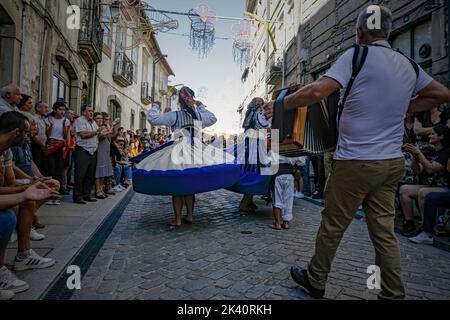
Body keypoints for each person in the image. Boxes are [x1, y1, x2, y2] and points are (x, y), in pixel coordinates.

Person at [263, 5, 450, 300]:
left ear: (359, 32)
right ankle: (391, 293)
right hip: (390, 164)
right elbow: (441, 93)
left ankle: (316, 279)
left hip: (355, 162)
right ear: (388, 32)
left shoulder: (356, 55)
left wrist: (279, 104)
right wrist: (405, 105)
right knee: (384, 233)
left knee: (333, 225)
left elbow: (316, 92)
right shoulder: (409, 64)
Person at [0, 112, 60, 300]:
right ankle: (1, 269)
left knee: (28, 199)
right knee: (7, 217)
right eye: (26, 132)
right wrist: (25, 191)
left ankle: (24, 255)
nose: (28, 136)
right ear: (16, 132)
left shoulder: (6, 151)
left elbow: (9, 185)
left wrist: (30, 187)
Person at [147, 86, 217, 227]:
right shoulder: (199, 115)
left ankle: (178, 219)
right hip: (196, 152)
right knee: (190, 185)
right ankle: (190, 216)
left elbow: (153, 119)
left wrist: (155, 106)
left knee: (177, 186)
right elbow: (213, 118)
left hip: (179, 152)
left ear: (180, 101)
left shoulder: (176, 115)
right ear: (192, 99)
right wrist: (200, 106)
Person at [399, 125, 450, 236]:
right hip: (431, 186)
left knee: (424, 192)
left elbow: (431, 169)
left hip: (444, 187)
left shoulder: (446, 152)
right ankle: (409, 223)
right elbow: (417, 171)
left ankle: (425, 228)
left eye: (433, 134)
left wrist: (419, 153)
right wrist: (415, 157)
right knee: (404, 189)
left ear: (441, 136)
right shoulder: (429, 151)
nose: (429, 136)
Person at [238, 97, 270, 214]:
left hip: (248, 145)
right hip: (256, 146)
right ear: (260, 105)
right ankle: (244, 205)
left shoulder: (248, 114)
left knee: (249, 172)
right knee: (255, 174)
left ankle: (249, 202)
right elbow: (264, 125)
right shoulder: (259, 114)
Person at [73, 105, 100, 204]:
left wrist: (104, 131)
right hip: (82, 150)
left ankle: (87, 194)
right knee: (80, 174)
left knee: (90, 174)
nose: (91, 113)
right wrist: (96, 132)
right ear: (83, 112)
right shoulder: (80, 121)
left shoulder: (93, 122)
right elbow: (83, 135)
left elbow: (97, 134)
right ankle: (78, 196)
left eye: (92, 111)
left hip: (93, 150)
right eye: (89, 111)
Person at [45, 100, 70, 199]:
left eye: (64, 110)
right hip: (51, 145)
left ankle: (57, 192)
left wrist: (64, 125)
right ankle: (49, 191)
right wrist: (51, 125)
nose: (62, 112)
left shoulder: (66, 121)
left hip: (61, 146)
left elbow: (65, 135)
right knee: (51, 168)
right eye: (60, 109)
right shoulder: (49, 119)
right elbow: (47, 134)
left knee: (59, 169)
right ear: (55, 110)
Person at [94, 112, 113, 199]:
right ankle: (97, 190)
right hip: (100, 150)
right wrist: (106, 131)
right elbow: (100, 137)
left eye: (101, 118)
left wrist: (108, 128)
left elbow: (110, 136)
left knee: (103, 171)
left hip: (105, 150)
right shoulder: (95, 128)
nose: (100, 120)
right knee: (99, 170)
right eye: (98, 118)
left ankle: (101, 189)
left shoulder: (104, 127)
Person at [31, 102, 49, 178]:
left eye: (47, 108)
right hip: (37, 146)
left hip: (43, 146)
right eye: (45, 107)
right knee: (38, 166)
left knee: (43, 167)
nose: (47, 110)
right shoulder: (34, 119)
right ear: (38, 108)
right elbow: (33, 135)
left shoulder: (44, 120)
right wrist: (42, 146)